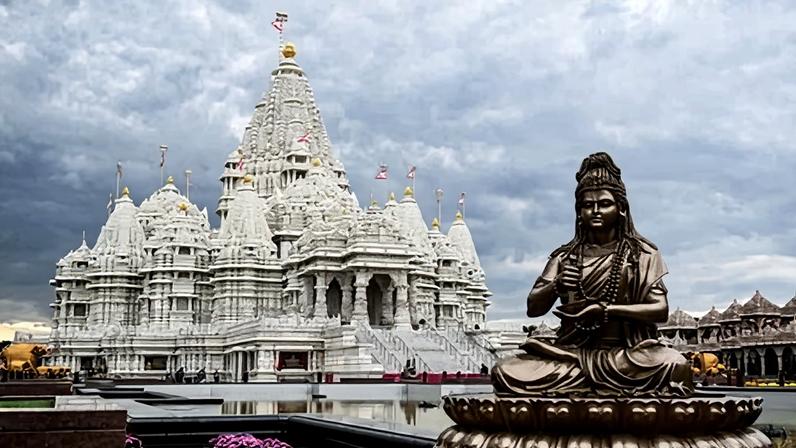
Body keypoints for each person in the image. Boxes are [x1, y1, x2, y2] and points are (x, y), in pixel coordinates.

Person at [492, 152, 693, 397]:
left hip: (627, 355)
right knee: (505, 371)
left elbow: (660, 310)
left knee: (675, 364)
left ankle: (588, 385)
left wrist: (607, 311)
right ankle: (595, 384)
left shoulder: (642, 253)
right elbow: (533, 308)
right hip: (571, 354)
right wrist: (555, 286)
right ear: (579, 211)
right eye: (588, 205)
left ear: (620, 208)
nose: (595, 211)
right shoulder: (565, 257)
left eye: (604, 204)